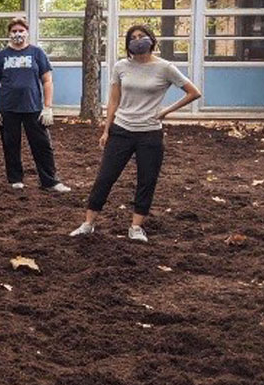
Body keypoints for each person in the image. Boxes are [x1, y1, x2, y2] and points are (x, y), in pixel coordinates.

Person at [70, 25, 201, 243]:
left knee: (146, 180)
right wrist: (106, 129)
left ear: (151, 40)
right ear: (128, 43)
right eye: (133, 37)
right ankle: (88, 224)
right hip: (121, 130)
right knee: (105, 178)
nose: (138, 40)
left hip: (150, 133)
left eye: (142, 36)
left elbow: (193, 92)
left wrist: (166, 111)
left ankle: (136, 228)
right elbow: (113, 100)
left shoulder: (165, 68)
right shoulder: (121, 66)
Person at [0, 17, 71, 193]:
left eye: (21, 30)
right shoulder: (1, 56)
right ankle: (15, 179)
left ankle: (50, 181)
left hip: (33, 108)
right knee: (10, 144)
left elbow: (47, 81)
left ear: (27, 32)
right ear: (9, 34)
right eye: (14, 31)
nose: (18, 34)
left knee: (42, 145)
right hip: (8, 109)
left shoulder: (37, 53)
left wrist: (48, 107)